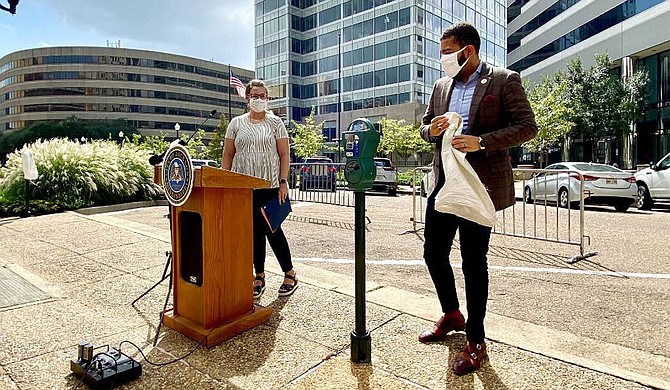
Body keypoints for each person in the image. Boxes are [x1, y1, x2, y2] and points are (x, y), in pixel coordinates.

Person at [418, 23, 537, 375]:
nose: (442, 59)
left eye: (446, 51)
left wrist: (481, 141)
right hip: (444, 183)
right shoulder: (441, 86)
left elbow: (527, 126)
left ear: (467, 50)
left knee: (473, 260)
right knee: (433, 252)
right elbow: (424, 127)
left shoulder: (503, 80)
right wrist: (433, 129)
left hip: (478, 186)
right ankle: (452, 314)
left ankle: (476, 339)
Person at [222, 79, 298, 299]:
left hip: (270, 186)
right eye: (254, 96)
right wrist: (223, 182)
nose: (258, 99)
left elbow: (284, 154)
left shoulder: (276, 123)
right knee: (253, 234)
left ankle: (290, 274)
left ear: (267, 98)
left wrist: (283, 182)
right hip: (243, 189)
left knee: (273, 231)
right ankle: (259, 276)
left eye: (262, 96)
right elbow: (228, 155)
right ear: (247, 98)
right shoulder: (236, 124)